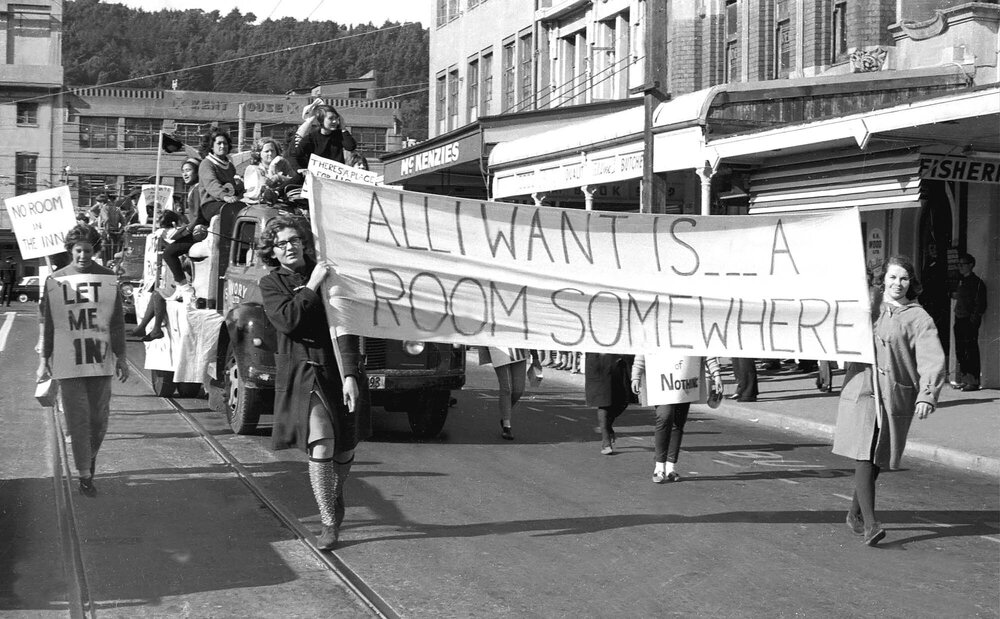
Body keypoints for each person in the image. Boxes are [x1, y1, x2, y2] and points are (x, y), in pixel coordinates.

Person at [257, 215, 366, 550]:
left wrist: (350, 374)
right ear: (272, 252)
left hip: (336, 369)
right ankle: (328, 522)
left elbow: (346, 325)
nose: (289, 247)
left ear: (303, 241)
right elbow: (289, 321)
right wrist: (311, 286)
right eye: (280, 244)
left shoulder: (330, 272)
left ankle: (334, 491)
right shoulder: (272, 283)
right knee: (322, 442)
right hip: (303, 371)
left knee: (345, 448)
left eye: (293, 240)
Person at [832, 256, 945, 546]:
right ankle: (871, 524)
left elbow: (931, 359)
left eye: (904, 278)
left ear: (911, 283)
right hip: (864, 389)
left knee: (878, 457)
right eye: (892, 277)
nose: (898, 283)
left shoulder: (919, 318)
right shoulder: (868, 307)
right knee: (865, 451)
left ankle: (855, 513)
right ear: (883, 279)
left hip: (895, 394)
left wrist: (927, 395)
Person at [37, 224, 129, 497]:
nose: (83, 256)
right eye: (78, 251)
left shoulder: (108, 278)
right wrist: (44, 359)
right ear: (70, 251)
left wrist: (121, 357)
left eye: (88, 251)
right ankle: (85, 475)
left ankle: (89, 461)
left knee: (99, 420)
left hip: (99, 360)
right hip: (68, 361)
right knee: (78, 419)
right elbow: (48, 323)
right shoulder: (55, 280)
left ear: (95, 251)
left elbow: (116, 322)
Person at [631, 355, 723, 482]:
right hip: (661, 381)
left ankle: (670, 468)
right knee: (664, 417)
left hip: (684, 380)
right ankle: (659, 467)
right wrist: (636, 376)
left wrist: (716, 374)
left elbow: (706, 350)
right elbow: (643, 351)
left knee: (678, 423)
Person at [481, 347, 541, 440]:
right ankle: (506, 425)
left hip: (518, 350)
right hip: (499, 349)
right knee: (506, 388)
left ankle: (506, 412)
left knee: (518, 390)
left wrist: (535, 356)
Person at [951, 253, 987, 391]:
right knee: (960, 350)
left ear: (971, 265)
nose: (960, 267)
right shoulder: (962, 281)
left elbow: (980, 304)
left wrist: (973, 320)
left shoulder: (977, 282)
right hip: (959, 319)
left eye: (963, 264)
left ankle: (973, 381)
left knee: (970, 350)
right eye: (958, 264)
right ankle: (964, 379)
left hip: (969, 321)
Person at [585, 352, 633, 455]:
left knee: (623, 400)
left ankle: (607, 427)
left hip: (618, 358)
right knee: (603, 401)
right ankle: (606, 441)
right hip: (598, 359)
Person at [289, 100, 357, 169]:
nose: (334, 121)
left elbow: (350, 147)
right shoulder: (311, 137)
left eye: (336, 118)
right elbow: (295, 153)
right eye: (330, 118)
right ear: (321, 120)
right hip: (316, 176)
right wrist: (303, 169)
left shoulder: (339, 135)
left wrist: (343, 128)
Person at [244, 137, 301, 204]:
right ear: (259, 153)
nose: (270, 154)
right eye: (267, 151)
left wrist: (280, 177)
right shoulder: (253, 169)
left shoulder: (283, 164)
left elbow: (295, 181)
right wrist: (272, 168)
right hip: (258, 205)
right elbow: (254, 193)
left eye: (272, 150)